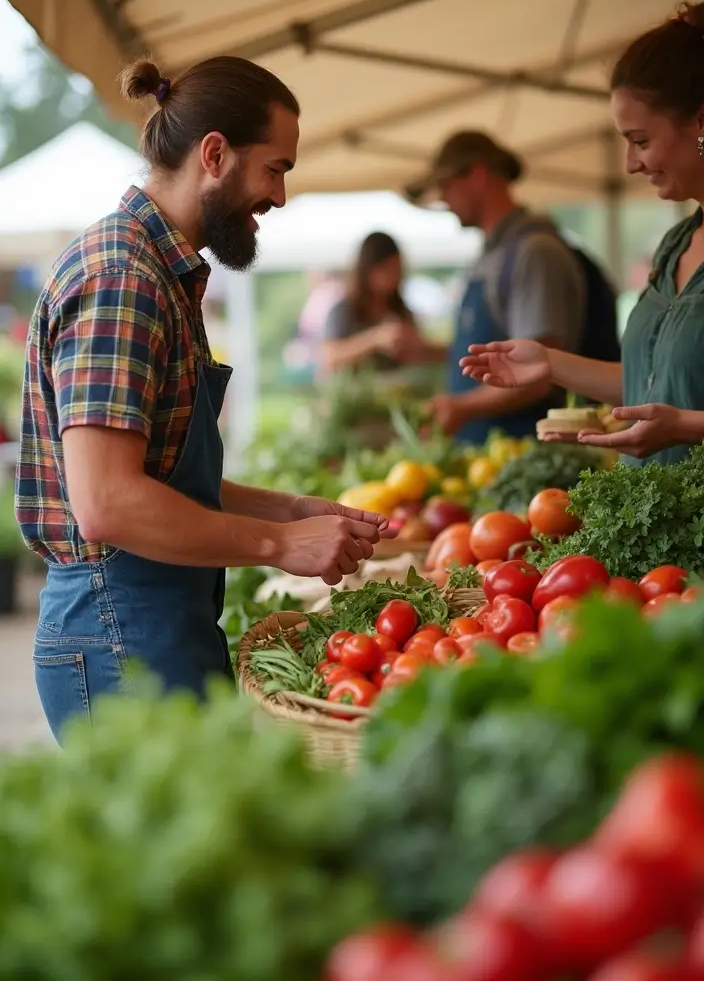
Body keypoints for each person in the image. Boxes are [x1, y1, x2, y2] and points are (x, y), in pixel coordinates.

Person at [15, 55, 392, 741]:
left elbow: (159, 477)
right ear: (214, 154)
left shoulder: (162, 271)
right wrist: (280, 543)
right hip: (119, 632)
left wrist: (295, 508)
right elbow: (107, 503)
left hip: (152, 623)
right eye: (276, 169)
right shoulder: (123, 278)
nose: (280, 196)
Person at [460, 0, 704, 467]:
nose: (630, 164)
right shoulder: (676, 245)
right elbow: (649, 379)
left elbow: (677, 410)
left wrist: (687, 427)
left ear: (700, 121)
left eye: (640, 141)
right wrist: (550, 364)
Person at [406, 131, 589, 445]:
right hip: (485, 455)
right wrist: (433, 352)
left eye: (446, 186)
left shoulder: (535, 252)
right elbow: (499, 352)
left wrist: (462, 406)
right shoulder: (494, 253)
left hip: (522, 456)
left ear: (477, 175)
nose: (443, 199)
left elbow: (540, 372)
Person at [320, 231, 441, 374]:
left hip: (398, 392)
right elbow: (330, 358)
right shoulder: (343, 311)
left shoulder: (400, 310)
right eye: (389, 269)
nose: (396, 277)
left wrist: (413, 345)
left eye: (398, 270)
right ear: (370, 270)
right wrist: (377, 339)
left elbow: (422, 354)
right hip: (355, 393)